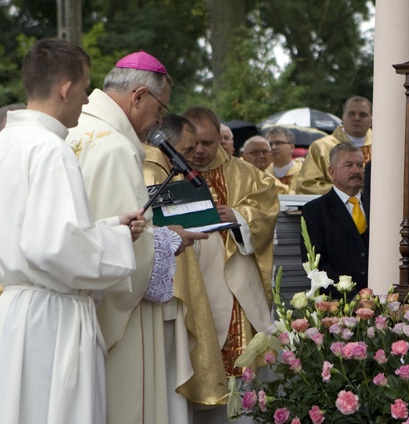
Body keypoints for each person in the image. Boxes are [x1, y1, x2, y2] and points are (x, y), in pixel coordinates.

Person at [0, 38, 145, 424]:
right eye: (84, 87)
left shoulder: (6, 142)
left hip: (16, 311)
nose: (86, 99)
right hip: (53, 317)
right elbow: (54, 247)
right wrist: (114, 247)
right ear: (65, 89)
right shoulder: (51, 149)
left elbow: (33, 233)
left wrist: (110, 228)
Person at [67, 51, 207, 424]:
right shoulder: (113, 147)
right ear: (139, 96)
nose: (159, 121)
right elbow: (128, 246)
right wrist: (168, 241)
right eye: (161, 110)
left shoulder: (72, 130)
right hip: (119, 311)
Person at [182, 106, 278, 423]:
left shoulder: (246, 175)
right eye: (191, 144)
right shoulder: (171, 172)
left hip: (232, 290)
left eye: (207, 143)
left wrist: (237, 216)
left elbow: (266, 210)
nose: (198, 151)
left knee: (239, 379)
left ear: (220, 140)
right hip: (187, 287)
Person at [143, 113, 230, 418]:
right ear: (166, 144)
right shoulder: (151, 171)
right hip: (161, 300)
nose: (194, 156)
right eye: (188, 149)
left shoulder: (168, 170)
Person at [300, 142, 370, 298]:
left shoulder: (377, 207)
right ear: (332, 171)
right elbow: (315, 262)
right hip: (336, 302)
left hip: (377, 300)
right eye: (348, 165)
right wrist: (350, 297)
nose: (356, 170)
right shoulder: (315, 210)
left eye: (360, 165)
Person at [296, 96, 372, 194]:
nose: (357, 118)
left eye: (363, 114)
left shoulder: (383, 147)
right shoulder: (320, 147)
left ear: (371, 119)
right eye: (351, 114)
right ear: (343, 118)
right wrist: (347, 191)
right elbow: (306, 185)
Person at [266, 125, 303, 194]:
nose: (273, 147)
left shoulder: (303, 172)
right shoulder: (264, 173)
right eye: (270, 144)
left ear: (291, 147)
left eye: (278, 143)